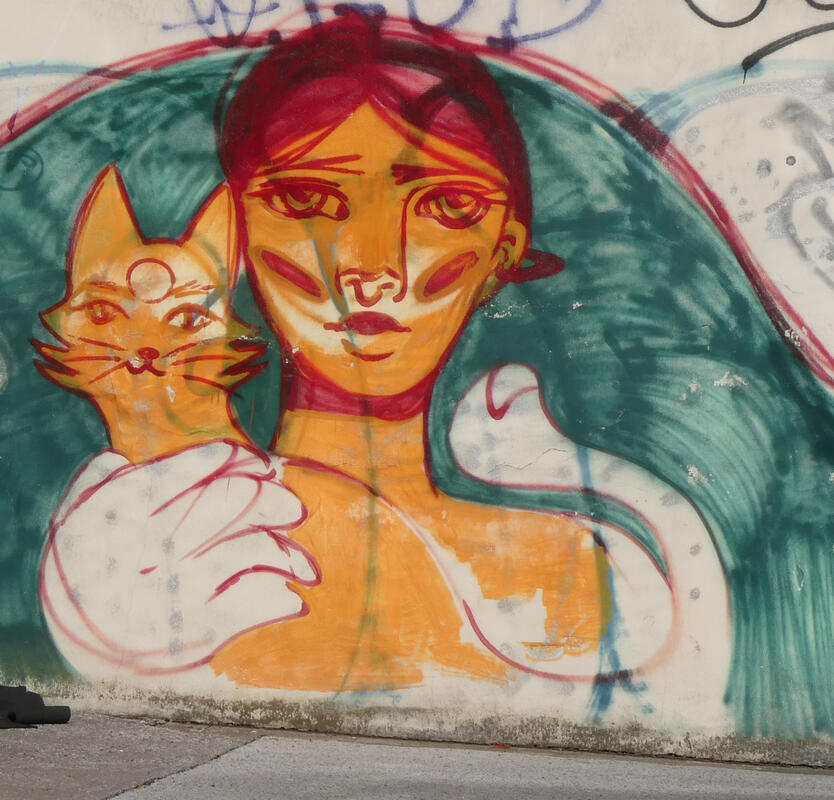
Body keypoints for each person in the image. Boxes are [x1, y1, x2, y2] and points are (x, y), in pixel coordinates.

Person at [39, 15, 728, 717]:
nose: (372, 266)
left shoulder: (592, 560)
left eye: (447, 205)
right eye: (306, 201)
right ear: (236, 236)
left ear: (503, 250)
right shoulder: (173, 525)